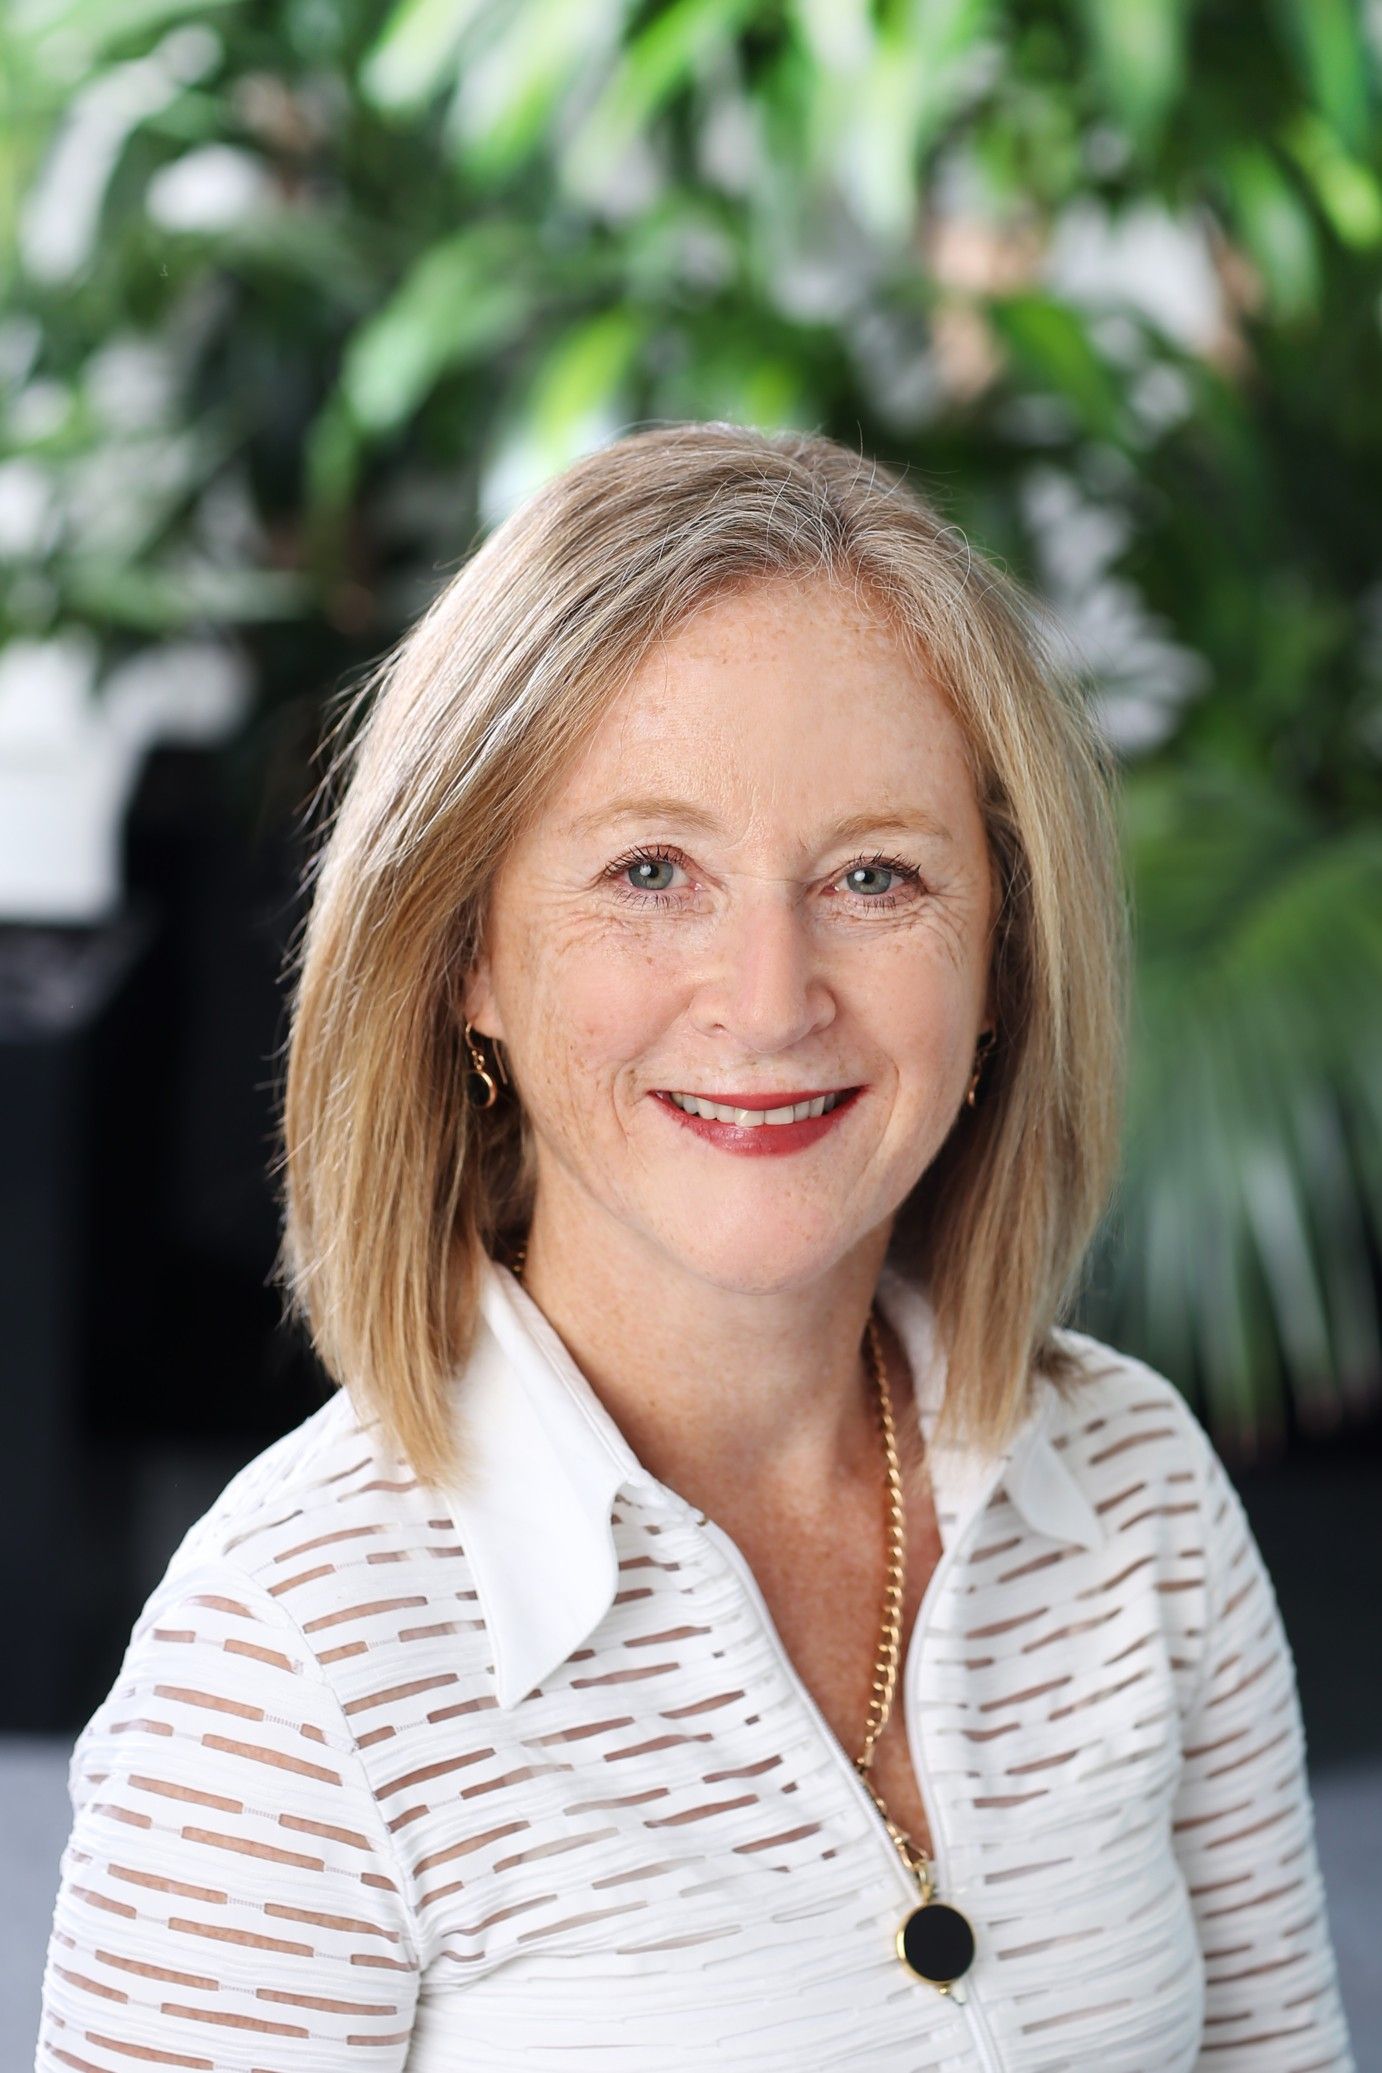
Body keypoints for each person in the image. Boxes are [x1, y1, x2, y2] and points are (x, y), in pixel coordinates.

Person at [36, 422, 1353, 2071]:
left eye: (876, 875)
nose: (766, 996)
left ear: (1005, 955)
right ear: (470, 963)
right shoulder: (289, 1662)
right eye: (651, 870)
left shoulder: (1139, 1497)